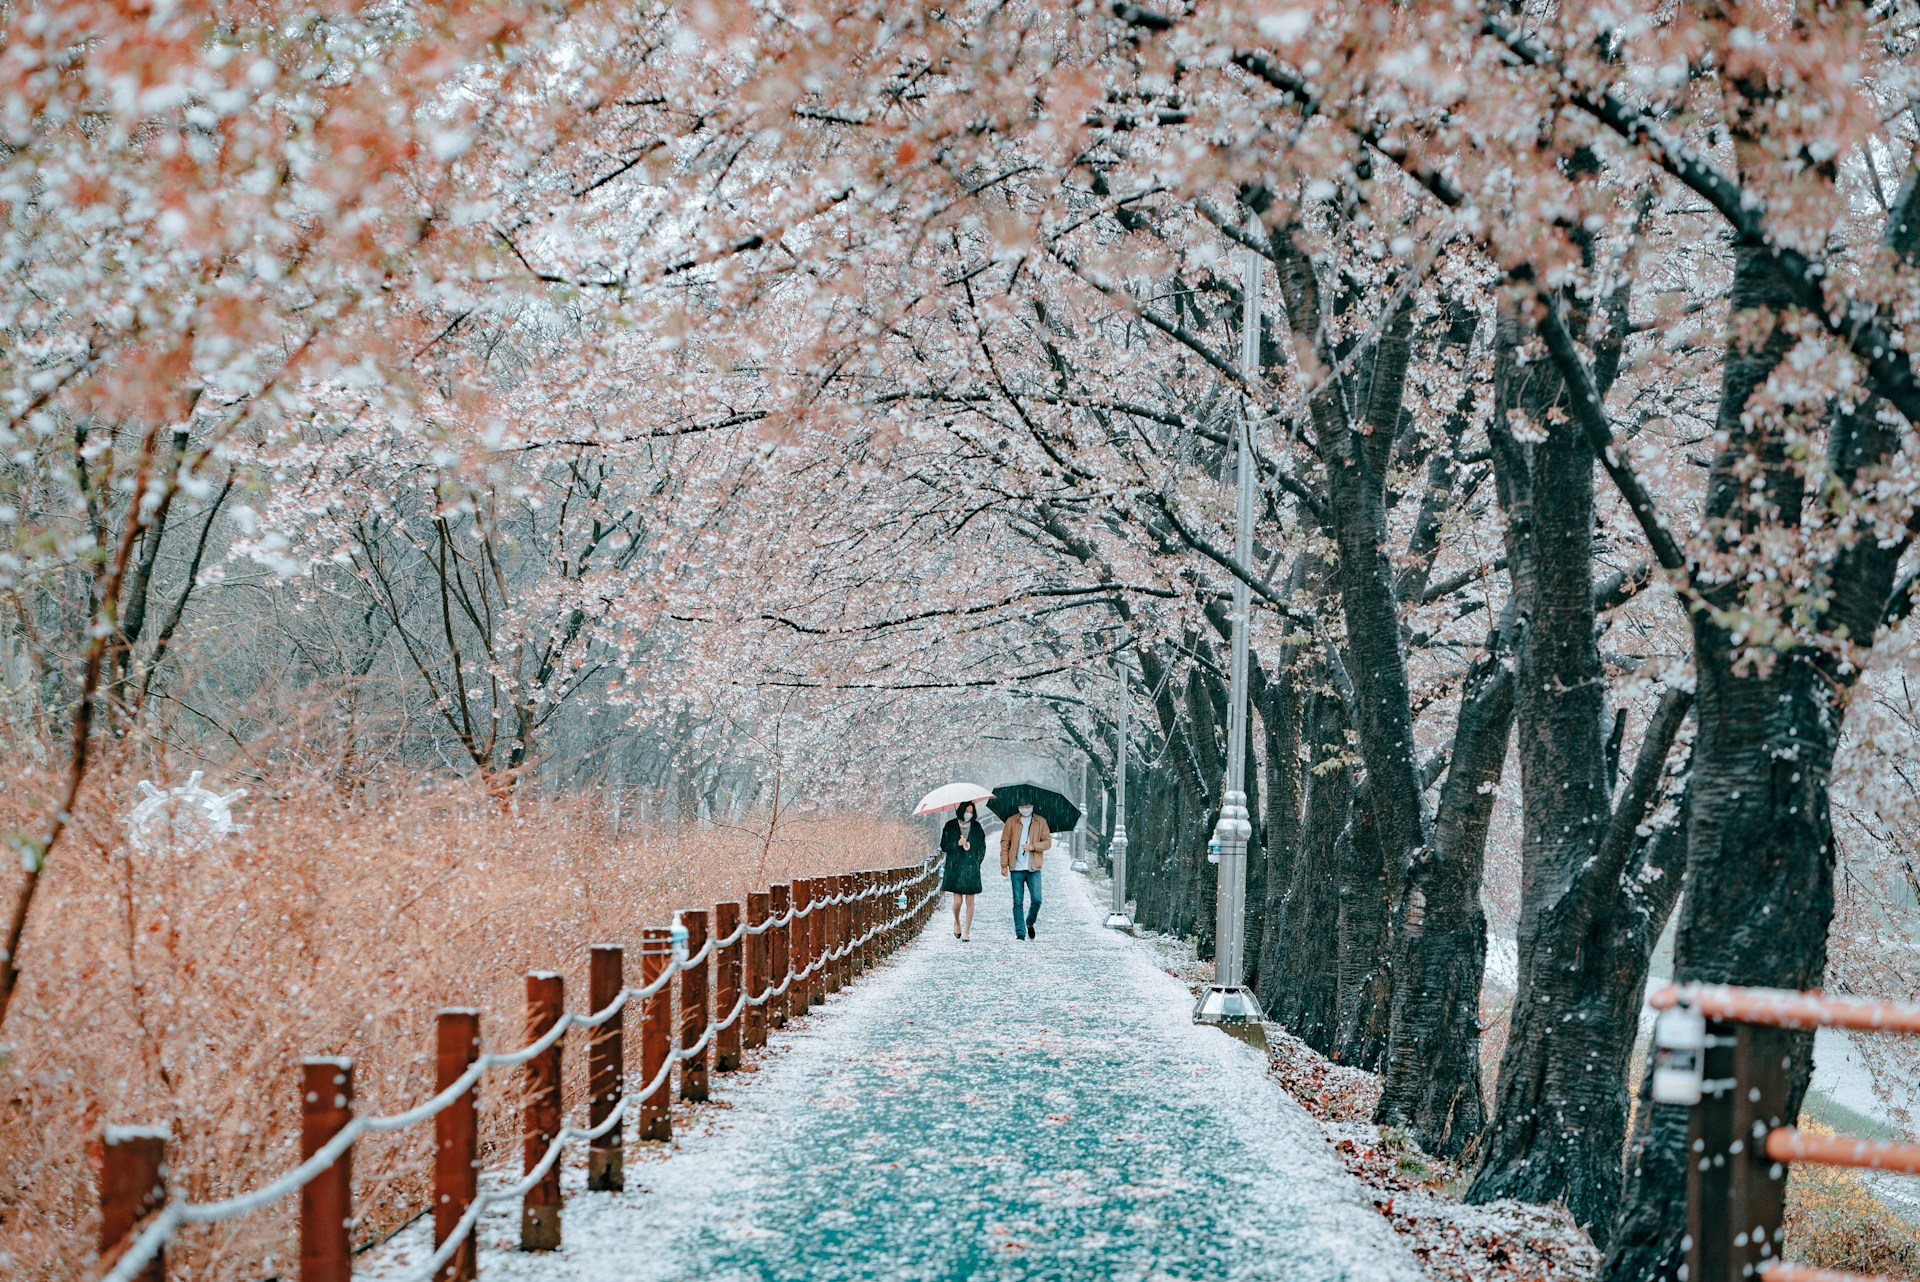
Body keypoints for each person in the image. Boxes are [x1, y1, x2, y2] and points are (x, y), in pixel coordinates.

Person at [998, 802, 1050, 940]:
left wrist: (1033, 846)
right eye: (1022, 806)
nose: (1025, 809)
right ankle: (1020, 933)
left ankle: (1030, 922)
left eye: (1027, 806)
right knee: (1017, 901)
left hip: (1034, 868)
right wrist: (1004, 865)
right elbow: (1005, 844)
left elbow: (1047, 842)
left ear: (1032, 806)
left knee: (1037, 899)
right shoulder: (1011, 821)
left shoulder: (1041, 822)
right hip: (1016, 868)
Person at [940, 802, 986, 941]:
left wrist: (976, 861)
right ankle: (957, 922)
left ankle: (966, 931)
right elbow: (944, 846)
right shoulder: (950, 825)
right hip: (955, 867)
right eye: (966, 811)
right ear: (961, 811)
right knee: (958, 902)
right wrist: (957, 844)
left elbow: (982, 847)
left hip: (971, 867)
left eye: (971, 811)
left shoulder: (977, 827)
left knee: (970, 900)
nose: (969, 814)